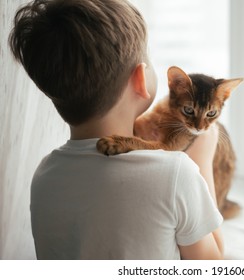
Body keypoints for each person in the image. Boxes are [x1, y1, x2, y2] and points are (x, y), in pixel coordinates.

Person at [9, 0, 223, 259]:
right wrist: (201, 159)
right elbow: (213, 263)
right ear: (141, 80)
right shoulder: (177, 173)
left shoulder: (43, 176)